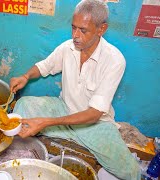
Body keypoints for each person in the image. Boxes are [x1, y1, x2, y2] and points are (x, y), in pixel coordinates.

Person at [9, 0, 141, 179]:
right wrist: (25, 76)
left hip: (95, 125)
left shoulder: (115, 60)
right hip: (64, 108)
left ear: (101, 29)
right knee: (23, 105)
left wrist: (46, 122)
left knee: (131, 172)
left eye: (83, 30)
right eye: (73, 28)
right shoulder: (68, 47)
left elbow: (94, 114)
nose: (75, 35)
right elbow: (45, 66)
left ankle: (57, 132)